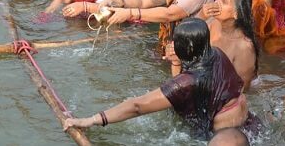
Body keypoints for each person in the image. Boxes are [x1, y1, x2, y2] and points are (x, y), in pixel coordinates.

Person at [63, 18, 249, 139]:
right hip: (246, 125)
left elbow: (137, 106)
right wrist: (176, 64)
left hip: (222, 136)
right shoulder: (216, 54)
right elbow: (189, 92)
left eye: (177, 42)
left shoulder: (187, 82)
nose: (173, 44)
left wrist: (91, 120)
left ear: (188, 47)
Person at [192, 0, 259, 91]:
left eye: (224, 1)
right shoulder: (213, 23)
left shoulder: (244, 47)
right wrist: (201, 16)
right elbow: (187, 36)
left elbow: (242, 89)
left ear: (236, 14)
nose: (216, 2)